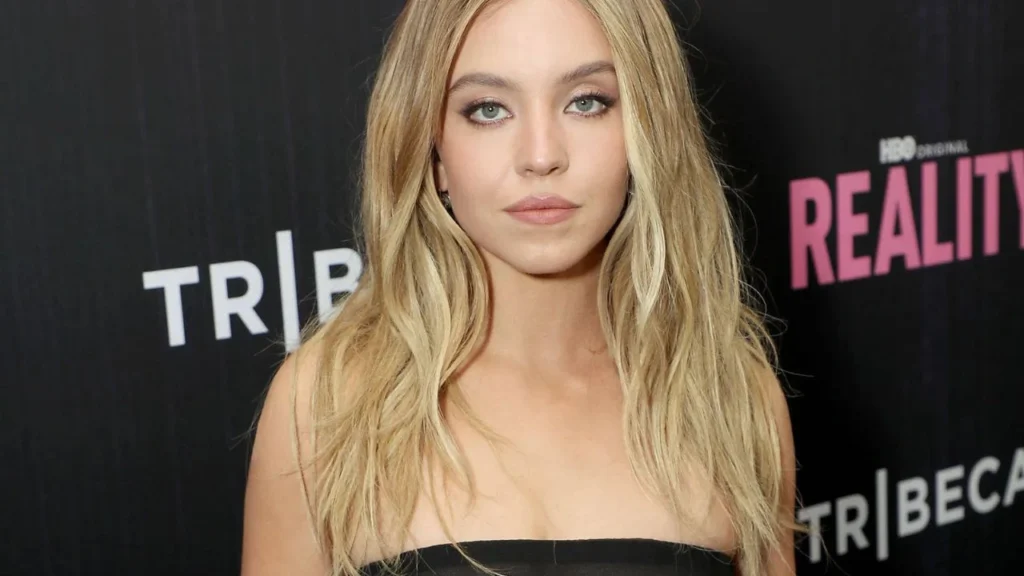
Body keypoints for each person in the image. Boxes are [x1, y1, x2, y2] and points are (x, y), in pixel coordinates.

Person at [241, 0, 804, 575]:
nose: (541, 156)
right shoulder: (326, 405)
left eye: (586, 102)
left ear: (647, 129)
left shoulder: (729, 396)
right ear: (431, 151)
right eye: (488, 110)